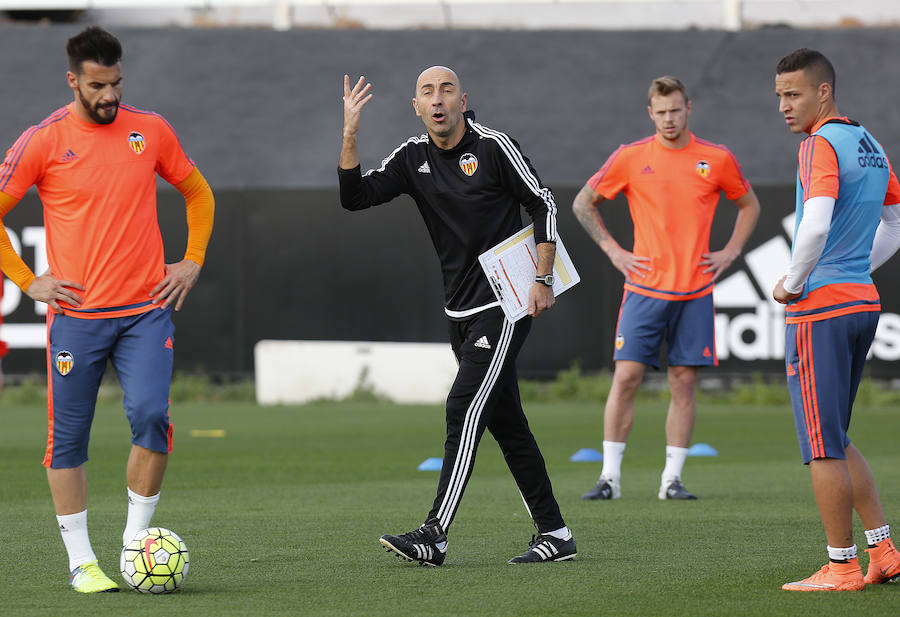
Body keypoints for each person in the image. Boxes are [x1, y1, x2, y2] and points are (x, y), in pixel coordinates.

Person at [0, 26, 214, 592]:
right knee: (67, 440)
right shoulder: (42, 141)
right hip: (77, 317)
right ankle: (81, 561)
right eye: (98, 85)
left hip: (147, 310)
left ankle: (134, 547)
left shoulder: (151, 130)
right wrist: (28, 280)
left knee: (151, 417)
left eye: (116, 83)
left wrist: (190, 260)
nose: (110, 96)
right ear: (73, 80)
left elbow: (199, 192)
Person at [338, 66, 574, 565]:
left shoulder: (493, 147)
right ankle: (555, 533)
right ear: (417, 107)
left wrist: (544, 277)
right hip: (459, 310)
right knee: (505, 421)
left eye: (446, 90)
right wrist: (350, 134)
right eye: (428, 93)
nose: (438, 99)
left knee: (462, 407)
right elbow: (354, 198)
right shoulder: (410, 156)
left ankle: (435, 534)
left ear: (463, 100)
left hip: (506, 303)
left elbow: (544, 203)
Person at [572, 76, 760, 501]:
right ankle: (609, 479)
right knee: (626, 377)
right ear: (650, 113)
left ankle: (671, 480)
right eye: (661, 112)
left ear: (688, 108)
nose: (669, 119)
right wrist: (614, 252)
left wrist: (730, 251)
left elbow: (749, 205)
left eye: (675, 110)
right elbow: (583, 203)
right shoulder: (631, 157)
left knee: (684, 382)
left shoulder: (717, 158)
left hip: (694, 290)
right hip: (644, 289)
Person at [773, 48, 900, 592]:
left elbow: (816, 224)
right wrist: (852, 270)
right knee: (839, 434)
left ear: (824, 92)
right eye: (779, 94)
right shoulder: (869, 143)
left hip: (820, 310)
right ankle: (885, 550)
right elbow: (895, 225)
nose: (783, 105)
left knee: (821, 442)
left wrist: (794, 282)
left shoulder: (817, 144)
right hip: (861, 302)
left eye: (793, 93)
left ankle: (842, 565)